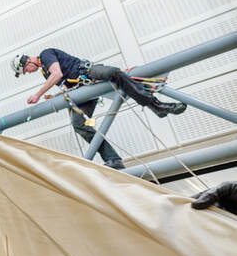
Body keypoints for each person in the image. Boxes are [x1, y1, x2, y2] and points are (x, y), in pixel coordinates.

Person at [11, 49, 187, 170]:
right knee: (79, 124)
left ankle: (156, 106)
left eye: (25, 69)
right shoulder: (45, 72)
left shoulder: (45, 54)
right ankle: (113, 159)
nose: (28, 72)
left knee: (115, 74)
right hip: (82, 90)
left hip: (88, 73)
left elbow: (58, 73)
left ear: (26, 61)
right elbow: (64, 84)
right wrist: (55, 97)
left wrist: (38, 94)